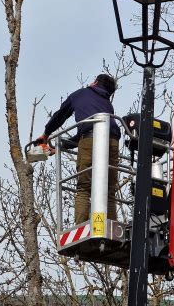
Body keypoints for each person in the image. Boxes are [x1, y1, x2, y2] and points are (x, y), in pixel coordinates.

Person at [36, 74, 120, 224]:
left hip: (89, 138)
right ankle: (111, 226)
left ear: (94, 83)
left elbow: (61, 115)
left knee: (84, 187)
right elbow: (88, 133)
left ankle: (80, 226)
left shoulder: (81, 94)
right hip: (113, 140)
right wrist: (61, 147)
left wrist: (46, 134)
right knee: (109, 190)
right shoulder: (107, 104)